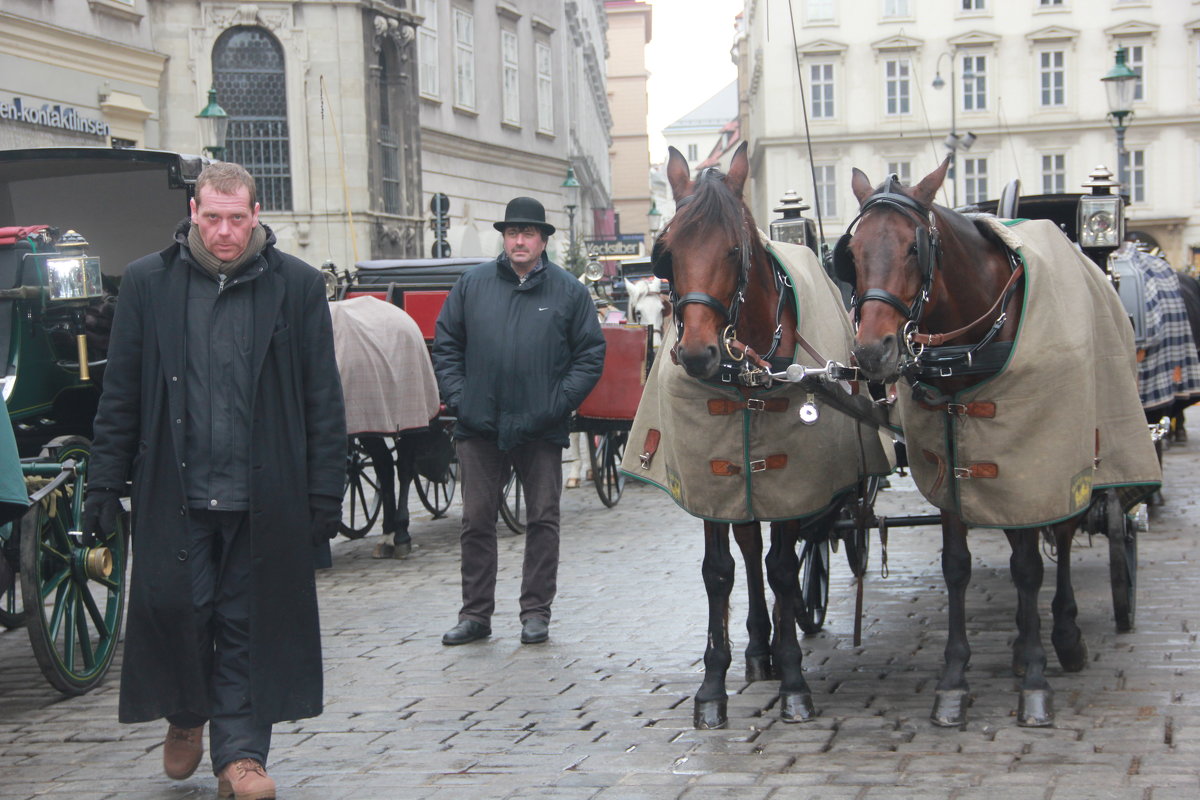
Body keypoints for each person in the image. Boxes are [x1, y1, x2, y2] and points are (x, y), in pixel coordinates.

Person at [82, 162, 345, 800]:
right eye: (212, 218)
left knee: (247, 622)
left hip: (265, 494)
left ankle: (242, 756)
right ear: (194, 214)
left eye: (236, 218)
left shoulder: (298, 287)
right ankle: (186, 713)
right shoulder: (150, 283)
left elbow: (323, 399)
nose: (224, 232)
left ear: (256, 216)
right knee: (180, 611)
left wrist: (323, 492)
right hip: (176, 492)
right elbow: (120, 395)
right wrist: (101, 484)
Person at [432, 196, 605, 646]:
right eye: (512, 233)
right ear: (504, 239)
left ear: (543, 240)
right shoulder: (472, 285)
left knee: (544, 519)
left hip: (541, 424)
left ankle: (535, 612)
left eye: (528, 233)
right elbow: (446, 345)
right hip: (480, 423)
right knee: (476, 520)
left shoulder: (568, 290)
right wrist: (460, 398)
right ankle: (475, 614)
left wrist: (558, 401)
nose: (519, 241)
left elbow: (590, 355)